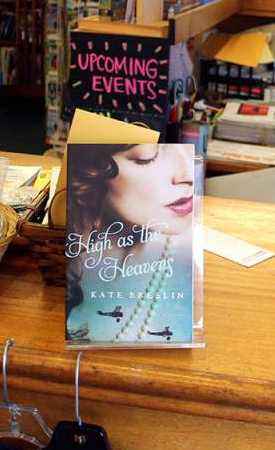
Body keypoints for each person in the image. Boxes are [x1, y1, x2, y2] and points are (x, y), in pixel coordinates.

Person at [65, 143, 196, 342]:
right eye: (147, 156)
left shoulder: (189, 260)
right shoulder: (66, 258)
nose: (188, 175)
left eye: (190, 153)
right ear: (88, 170)